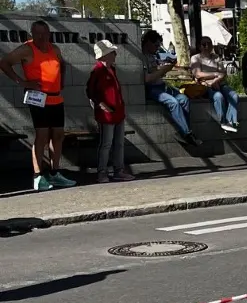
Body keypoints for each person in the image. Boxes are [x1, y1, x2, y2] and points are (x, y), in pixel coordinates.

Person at [0, 19, 75, 190]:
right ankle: (38, 175)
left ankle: (55, 173)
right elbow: (4, 63)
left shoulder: (54, 49)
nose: (41, 37)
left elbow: (62, 64)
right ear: (32, 34)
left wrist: (61, 81)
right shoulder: (26, 49)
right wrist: (22, 82)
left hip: (55, 97)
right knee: (42, 135)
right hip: (38, 97)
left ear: (49, 34)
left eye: (44, 33)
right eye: (38, 34)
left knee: (58, 135)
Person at [86, 40, 133, 183]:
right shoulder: (97, 71)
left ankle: (119, 170)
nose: (115, 54)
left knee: (118, 143)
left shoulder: (111, 69)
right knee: (106, 144)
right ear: (105, 55)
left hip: (117, 111)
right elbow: (90, 91)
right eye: (112, 52)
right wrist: (102, 105)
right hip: (106, 114)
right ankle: (102, 172)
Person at [141, 30, 199, 146]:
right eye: (156, 45)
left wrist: (164, 68)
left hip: (161, 85)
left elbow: (155, 72)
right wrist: (163, 70)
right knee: (173, 102)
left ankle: (183, 132)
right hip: (152, 89)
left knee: (184, 99)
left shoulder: (152, 56)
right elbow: (147, 79)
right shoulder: (141, 57)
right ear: (148, 43)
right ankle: (187, 134)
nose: (158, 48)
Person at [189, 35, 240, 133]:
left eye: (209, 44)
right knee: (218, 96)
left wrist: (215, 81)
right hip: (205, 86)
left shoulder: (216, 57)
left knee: (234, 96)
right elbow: (198, 74)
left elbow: (223, 73)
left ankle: (231, 122)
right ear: (200, 46)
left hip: (219, 84)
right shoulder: (195, 58)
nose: (207, 46)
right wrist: (215, 74)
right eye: (204, 44)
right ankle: (223, 122)